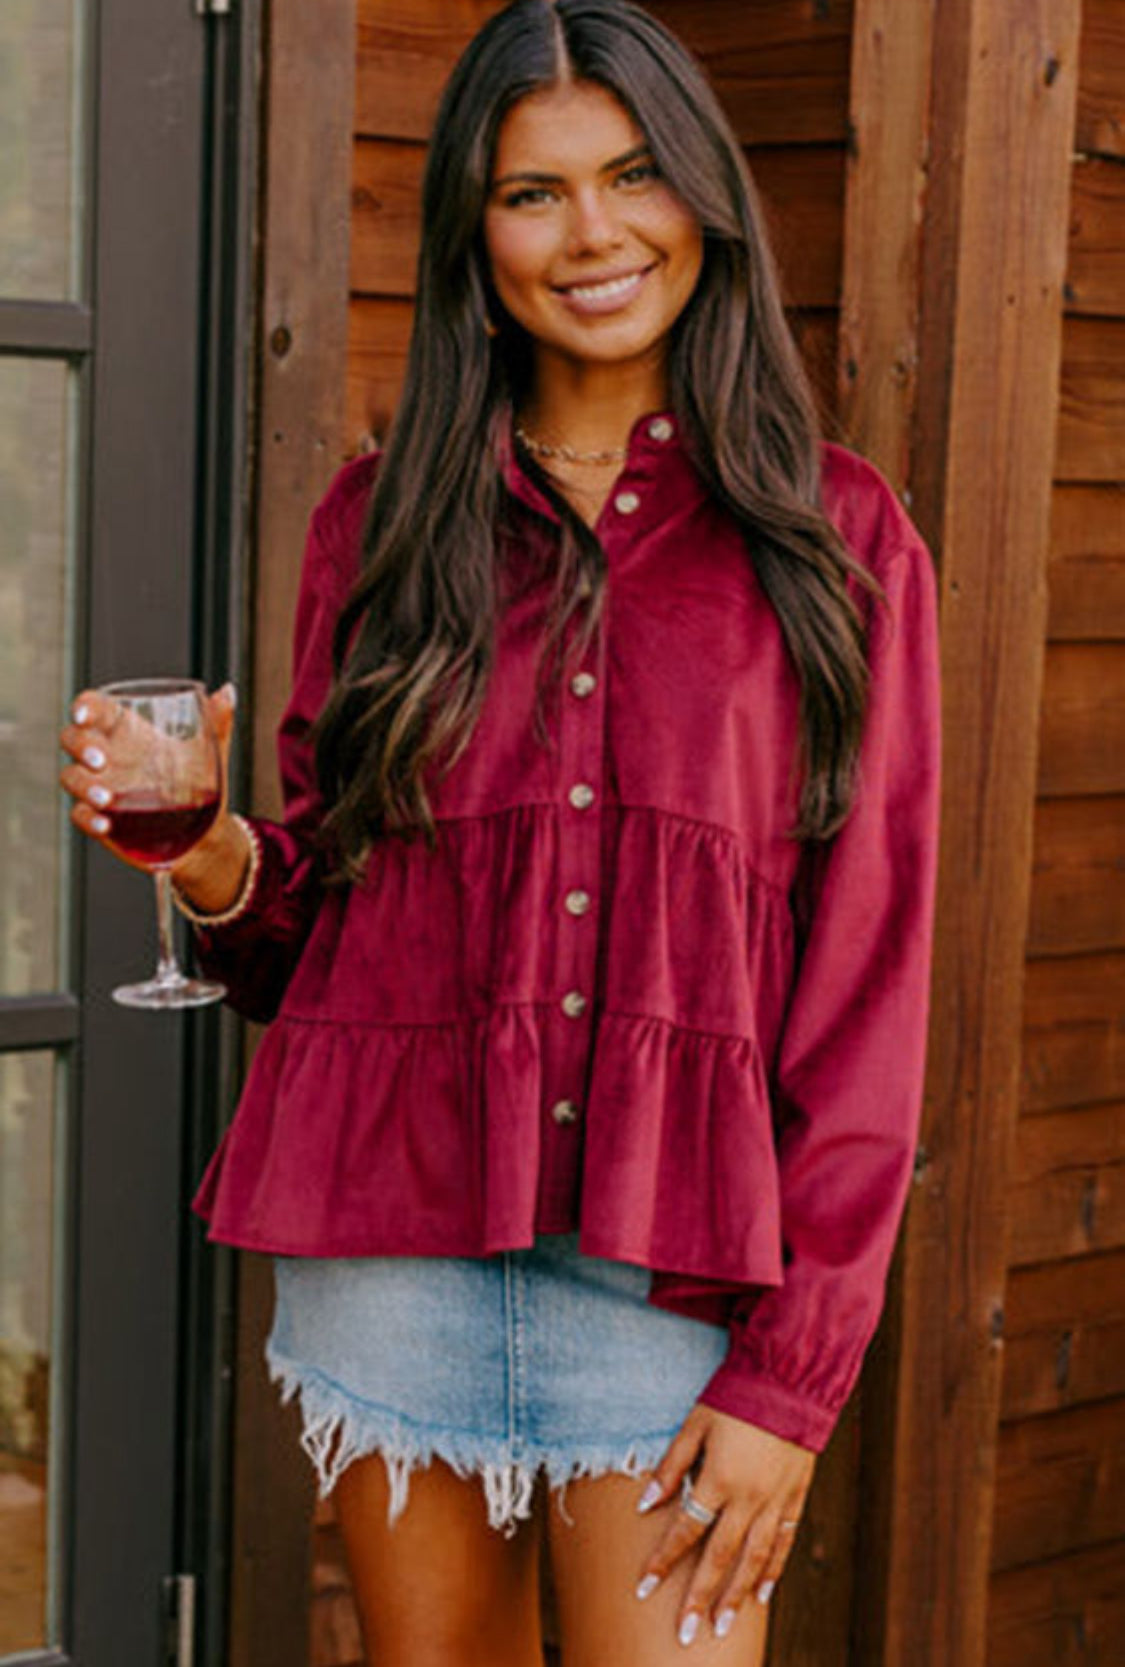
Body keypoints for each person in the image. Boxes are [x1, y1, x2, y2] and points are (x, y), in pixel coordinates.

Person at [59, 1, 942, 1660]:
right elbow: (321, 938)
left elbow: (869, 983)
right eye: (533, 193)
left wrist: (792, 1376)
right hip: (397, 1251)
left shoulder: (841, 542)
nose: (592, 233)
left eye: (634, 177)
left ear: (705, 201)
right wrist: (212, 862)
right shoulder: (378, 522)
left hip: (679, 1284)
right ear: (474, 229)